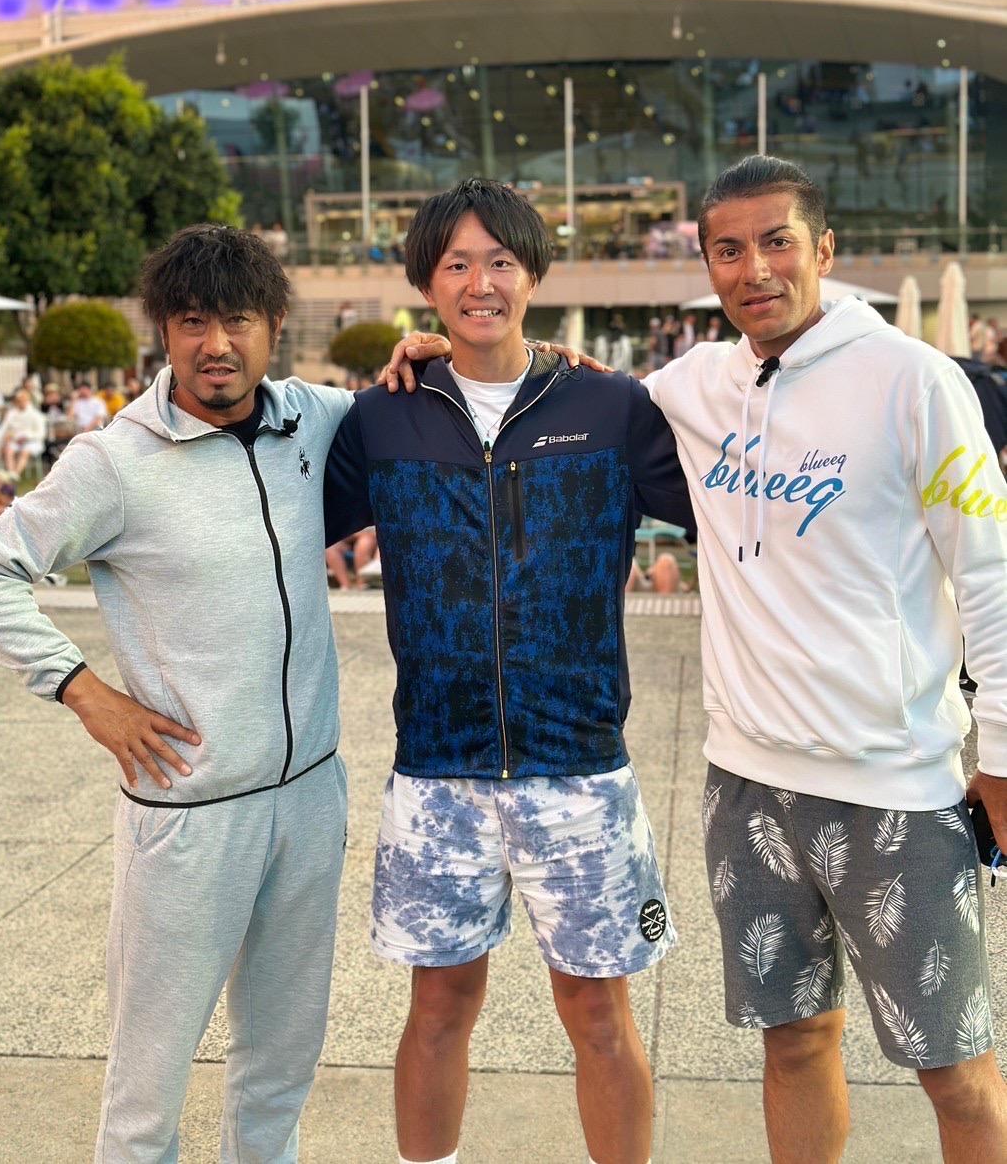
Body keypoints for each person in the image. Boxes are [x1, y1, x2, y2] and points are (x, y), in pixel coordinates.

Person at [0, 223, 501, 1164]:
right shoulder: (114, 462)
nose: (216, 344)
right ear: (163, 331)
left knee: (280, 1066)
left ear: (273, 326)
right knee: (148, 1085)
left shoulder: (313, 418)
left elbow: (422, 399)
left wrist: (432, 352)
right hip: (189, 815)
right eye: (192, 321)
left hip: (308, 796)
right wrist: (85, 692)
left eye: (237, 319)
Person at [642, 155, 1007, 1164]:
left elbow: (990, 576)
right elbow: (566, 386)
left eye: (776, 242)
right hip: (743, 785)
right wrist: (444, 350)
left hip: (895, 785)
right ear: (707, 266)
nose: (753, 268)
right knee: (794, 1042)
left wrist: (1000, 756)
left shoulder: (915, 382)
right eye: (727, 249)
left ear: (824, 250)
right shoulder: (694, 384)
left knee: (955, 1068)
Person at [324, 179, 694, 1164]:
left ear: (532, 274)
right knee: (437, 1006)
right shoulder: (381, 418)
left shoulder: (611, 407)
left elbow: (734, 501)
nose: (479, 282)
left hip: (579, 769)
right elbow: (271, 503)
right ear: (426, 284)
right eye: (455, 264)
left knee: (599, 1014)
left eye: (499, 261)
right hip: (436, 772)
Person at [0, 389, 47, 476]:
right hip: (15, 440)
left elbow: (41, 434)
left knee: (25, 452)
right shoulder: (11, 414)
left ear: (28, 401)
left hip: (32, 441)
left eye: (23, 400)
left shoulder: (36, 415)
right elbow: (5, 428)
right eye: (18, 401)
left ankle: (16, 474)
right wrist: (8, 436)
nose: (20, 403)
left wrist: (27, 437)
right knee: (8, 450)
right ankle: (11, 473)